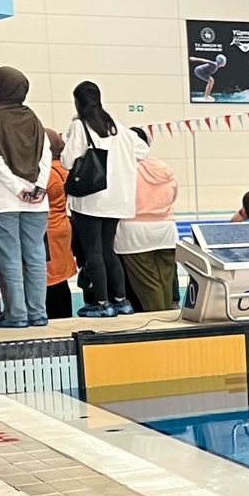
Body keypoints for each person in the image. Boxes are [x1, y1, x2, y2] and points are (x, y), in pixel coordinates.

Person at [62, 81, 146, 318]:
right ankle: (121, 300)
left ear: (78, 102)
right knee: (109, 250)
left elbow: (67, 161)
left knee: (93, 252)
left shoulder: (80, 125)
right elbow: (143, 150)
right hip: (117, 199)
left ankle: (102, 303)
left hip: (90, 199)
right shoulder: (118, 127)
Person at [0, 69, 51, 327]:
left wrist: (17, 187)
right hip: (37, 201)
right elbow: (45, 155)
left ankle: (16, 315)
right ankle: (38, 313)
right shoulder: (32, 117)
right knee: (35, 257)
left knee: (9, 258)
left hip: (4, 198)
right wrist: (39, 187)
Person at [116, 129, 179, 311]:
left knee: (149, 285)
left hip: (134, 232)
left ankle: (159, 322)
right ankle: (168, 319)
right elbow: (173, 194)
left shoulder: (124, 168)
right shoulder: (163, 166)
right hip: (166, 230)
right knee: (166, 282)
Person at [45, 152, 76, 319]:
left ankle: (55, 318)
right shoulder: (64, 170)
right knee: (61, 280)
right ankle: (66, 317)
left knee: (50, 280)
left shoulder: (47, 173)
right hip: (62, 224)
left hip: (48, 229)